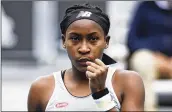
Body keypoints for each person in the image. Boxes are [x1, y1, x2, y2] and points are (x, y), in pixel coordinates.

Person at [28, 3, 145, 111]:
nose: (84, 49)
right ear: (64, 41)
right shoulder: (42, 88)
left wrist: (101, 94)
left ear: (106, 41)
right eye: (75, 38)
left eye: (93, 39)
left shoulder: (128, 81)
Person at [127, 1, 172, 111]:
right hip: (151, 60)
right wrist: (157, 56)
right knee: (141, 61)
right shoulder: (145, 8)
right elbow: (132, 41)